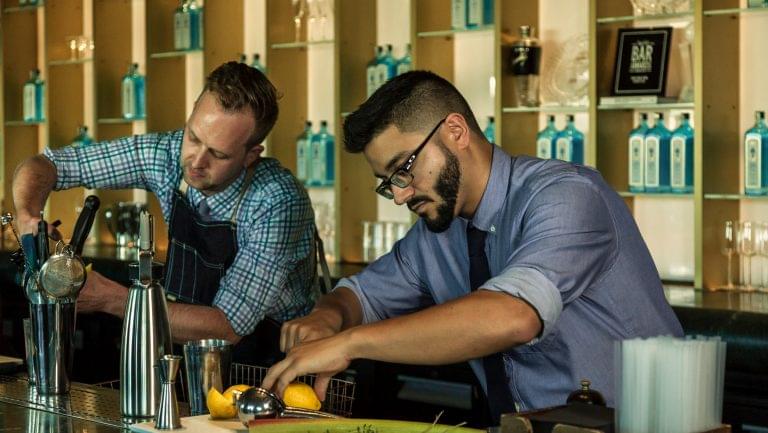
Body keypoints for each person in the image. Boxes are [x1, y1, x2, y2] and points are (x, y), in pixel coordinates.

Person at [261, 70, 683, 421]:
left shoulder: (567, 194)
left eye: (403, 169)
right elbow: (361, 294)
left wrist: (349, 344)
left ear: (456, 131)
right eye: (389, 184)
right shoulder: (437, 234)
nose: (402, 195)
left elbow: (513, 316)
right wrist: (326, 319)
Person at [12, 61, 320, 365]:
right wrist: (27, 216)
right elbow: (46, 165)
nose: (196, 161)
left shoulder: (277, 200)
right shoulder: (168, 153)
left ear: (251, 155)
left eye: (218, 153)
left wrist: (112, 298)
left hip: (268, 369)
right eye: (194, 137)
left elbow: (228, 328)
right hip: (186, 355)